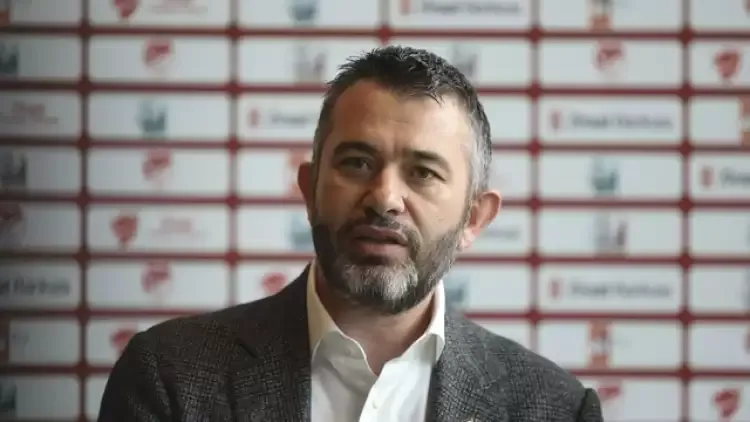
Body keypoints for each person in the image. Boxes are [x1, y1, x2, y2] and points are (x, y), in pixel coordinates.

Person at [97, 45, 604, 422]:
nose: (385, 198)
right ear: (309, 188)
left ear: (474, 219)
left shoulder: (555, 408)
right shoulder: (170, 377)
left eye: (423, 172)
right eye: (358, 162)